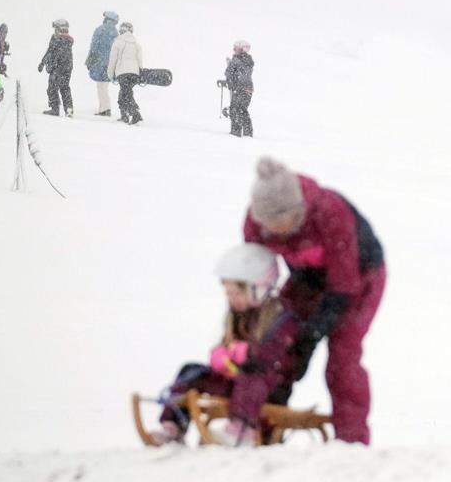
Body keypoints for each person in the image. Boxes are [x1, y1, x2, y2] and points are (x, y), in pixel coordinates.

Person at [243, 156, 386, 444]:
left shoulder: (330, 212)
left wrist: (313, 333)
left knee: (342, 357)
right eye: (270, 225)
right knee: (277, 345)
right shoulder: (256, 224)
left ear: (299, 211)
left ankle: (352, 440)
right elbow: (254, 276)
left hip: (359, 279)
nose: (277, 231)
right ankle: (261, 425)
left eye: (283, 223)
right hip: (305, 280)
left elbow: (344, 285)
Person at [148, 243, 303, 447]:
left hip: (267, 388)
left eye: (236, 293)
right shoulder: (237, 317)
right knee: (191, 371)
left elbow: (280, 357)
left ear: (260, 288)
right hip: (235, 383)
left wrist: (248, 353)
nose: (231, 299)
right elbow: (227, 346)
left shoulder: (282, 319)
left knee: (251, 377)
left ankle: (241, 430)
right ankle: (173, 425)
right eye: (228, 293)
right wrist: (220, 355)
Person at [107, 21, 143, 125]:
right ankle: (125, 115)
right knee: (125, 92)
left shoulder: (117, 42)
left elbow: (112, 60)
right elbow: (140, 61)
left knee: (125, 93)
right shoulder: (137, 45)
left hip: (122, 72)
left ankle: (133, 113)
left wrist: (110, 74)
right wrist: (140, 73)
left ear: (121, 31)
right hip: (134, 73)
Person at [38, 19, 75, 117]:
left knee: (52, 87)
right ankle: (69, 109)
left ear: (59, 29)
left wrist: (43, 63)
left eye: (55, 29)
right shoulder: (68, 40)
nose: (54, 31)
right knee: (65, 88)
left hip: (57, 67)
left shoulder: (56, 39)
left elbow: (50, 52)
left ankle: (55, 108)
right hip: (67, 68)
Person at [85, 10, 119, 116]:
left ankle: (105, 109)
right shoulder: (115, 32)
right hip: (110, 63)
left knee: (101, 86)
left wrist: (89, 59)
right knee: (104, 86)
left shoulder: (99, 30)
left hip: (99, 62)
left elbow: (94, 46)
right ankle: (104, 108)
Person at [224, 40, 255, 137]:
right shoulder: (249, 61)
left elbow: (230, 73)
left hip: (239, 88)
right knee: (242, 109)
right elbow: (242, 74)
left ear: (241, 49)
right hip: (248, 89)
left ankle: (236, 132)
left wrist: (229, 79)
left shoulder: (236, 60)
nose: (234, 50)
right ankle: (247, 132)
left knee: (235, 109)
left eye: (236, 48)